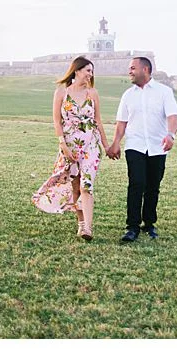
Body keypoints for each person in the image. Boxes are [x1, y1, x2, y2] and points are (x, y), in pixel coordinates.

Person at [32, 56, 111, 241]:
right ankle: (81, 224)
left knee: (87, 185)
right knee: (75, 185)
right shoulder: (61, 93)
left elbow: (98, 121)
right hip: (70, 146)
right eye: (87, 71)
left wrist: (106, 146)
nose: (90, 75)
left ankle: (88, 228)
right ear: (77, 71)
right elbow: (57, 122)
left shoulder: (93, 93)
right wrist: (63, 144)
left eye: (92, 72)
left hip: (90, 145)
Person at [108, 57, 177, 242]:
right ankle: (132, 227)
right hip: (135, 145)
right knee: (136, 184)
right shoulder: (128, 95)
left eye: (133, 68)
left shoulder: (164, 92)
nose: (129, 71)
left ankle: (149, 224)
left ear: (145, 69)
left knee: (152, 187)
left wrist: (171, 135)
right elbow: (121, 122)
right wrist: (116, 142)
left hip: (158, 146)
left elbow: (172, 116)